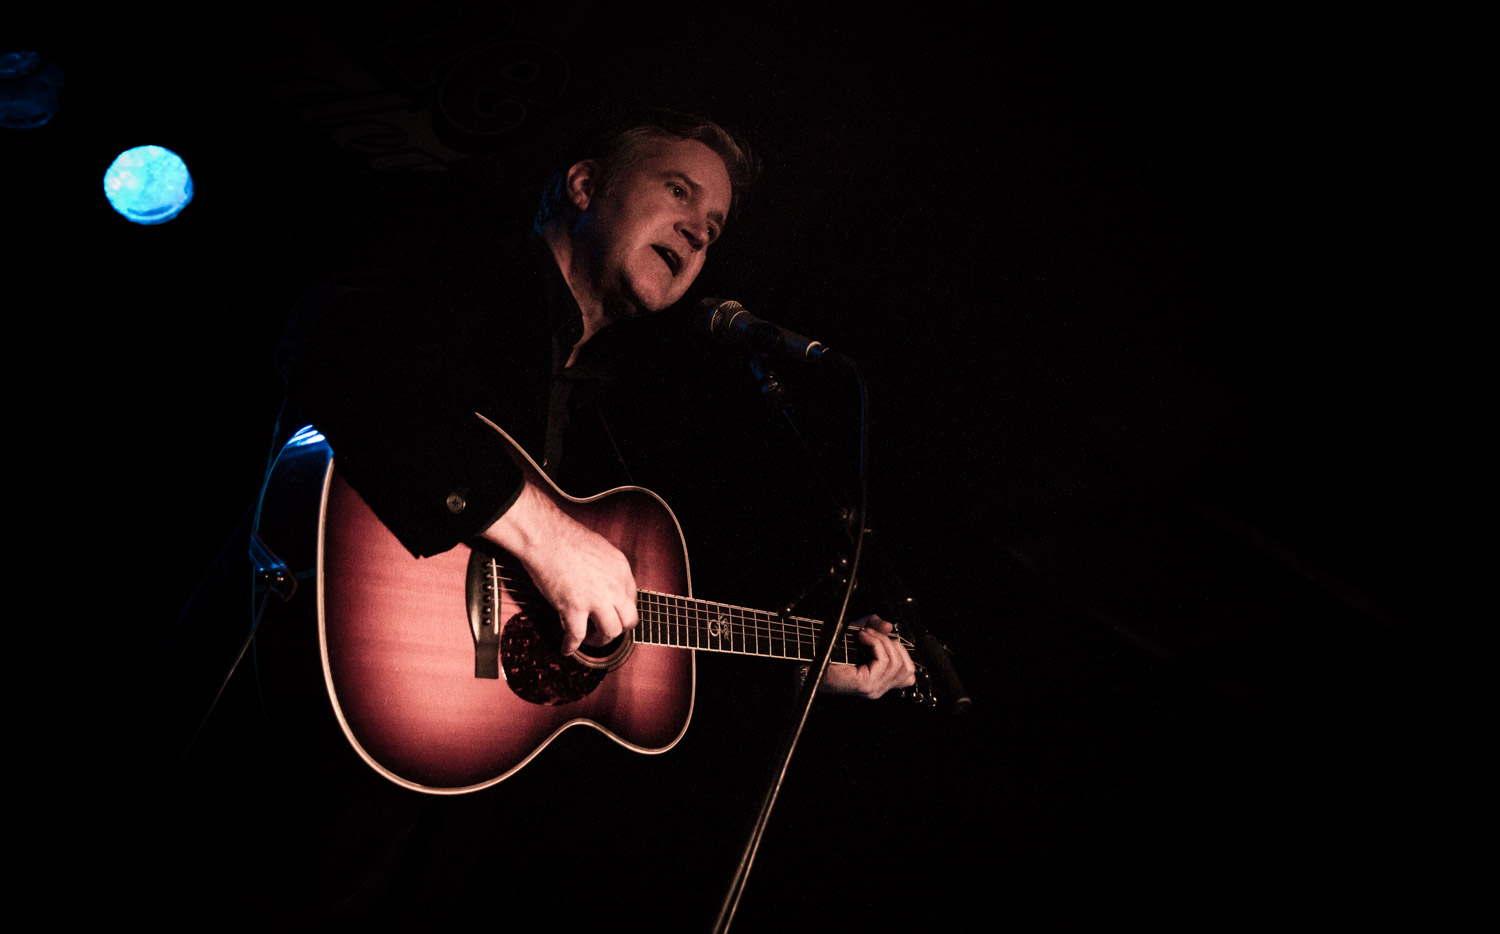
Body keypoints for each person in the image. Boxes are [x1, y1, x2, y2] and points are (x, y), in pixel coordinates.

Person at [280, 109, 916, 699]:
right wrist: (543, 535)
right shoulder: (466, 266)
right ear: (584, 186)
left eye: (715, 229)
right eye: (677, 191)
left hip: (428, 731)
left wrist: (804, 660)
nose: (699, 232)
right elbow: (338, 350)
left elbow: (627, 631)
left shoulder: (612, 412)